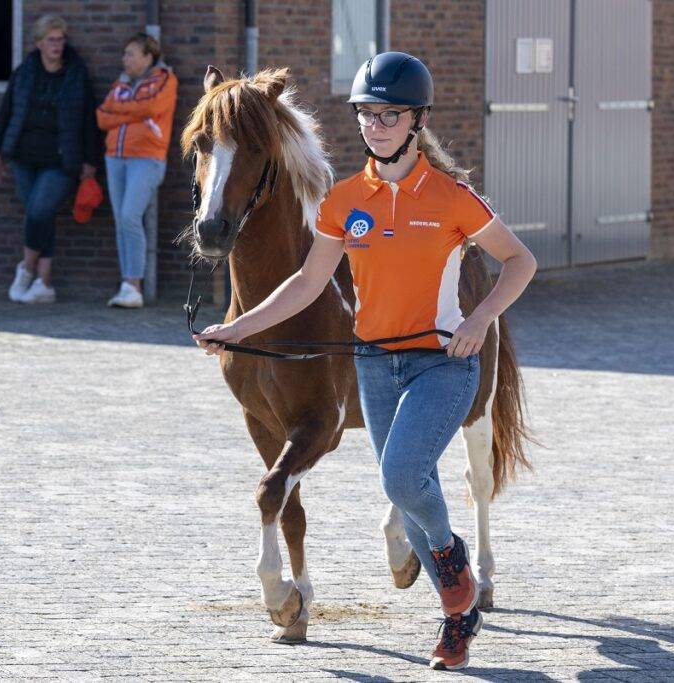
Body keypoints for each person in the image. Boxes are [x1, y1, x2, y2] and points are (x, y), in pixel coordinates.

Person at [193, 52, 537, 670]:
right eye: (367, 115)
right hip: (376, 366)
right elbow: (306, 284)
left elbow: (520, 261)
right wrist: (237, 329)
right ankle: (457, 603)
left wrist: (481, 319)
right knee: (404, 487)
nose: (376, 126)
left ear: (417, 120)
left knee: (402, 478)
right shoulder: (346, 200)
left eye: (390, 115)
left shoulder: (452, 197)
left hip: (441, 361)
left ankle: (453, 575)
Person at [0, 14, 101, 304]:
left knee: (38, 211)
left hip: (61, 160)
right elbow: (6, 111)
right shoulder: (24, 72)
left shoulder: (76, 75)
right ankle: (44, 282)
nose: (57, 45)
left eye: (60, 39)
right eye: (51, 40)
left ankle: (26, 268)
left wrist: (90, 159)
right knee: (40, 215)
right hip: (23, 157)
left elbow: (89, 119)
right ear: (39, 42)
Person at [96, 33, 178, 308]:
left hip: (147, 158)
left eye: (130, 54)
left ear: (147, 57)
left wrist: (120, 112)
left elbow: (152, 107)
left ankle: (134, 285)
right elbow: (101, 116)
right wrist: (135, 113)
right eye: (124, 54)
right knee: (121, 220)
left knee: (130, 216)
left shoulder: (165, 79)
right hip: (115, 157)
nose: (125, 59)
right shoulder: (120, 83)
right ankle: (126, 284)